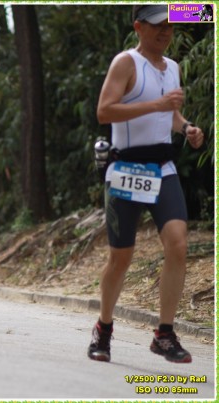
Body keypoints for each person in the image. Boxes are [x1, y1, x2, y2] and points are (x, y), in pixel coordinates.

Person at [88, 5, 204, 363]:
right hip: (125, 168)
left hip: (162, 167)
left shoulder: (174, 68)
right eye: (157, 26)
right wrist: (156, 105)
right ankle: (103, 327)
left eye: (170, 27)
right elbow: (104, 111)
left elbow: (170, 113)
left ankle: (164, 334)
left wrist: (185, 127)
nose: (165, 33)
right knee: (121, 258)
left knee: (178, 245)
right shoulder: (126, 62)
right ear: (138, 27)